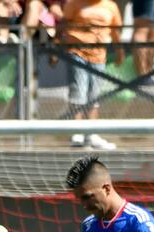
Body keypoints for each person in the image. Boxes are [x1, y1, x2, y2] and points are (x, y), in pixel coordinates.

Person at [59, 0, 124, 150]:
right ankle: (77, 132)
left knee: (94, 94)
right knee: (79, 90)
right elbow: (63, 25)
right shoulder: (73, 3)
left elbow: (115, 30)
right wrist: (59, 43)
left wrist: (119, 50)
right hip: (77, 51)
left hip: (99, 54)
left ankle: (91, 134)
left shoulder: (111, 6)